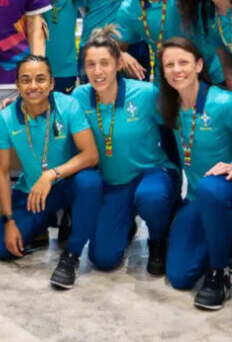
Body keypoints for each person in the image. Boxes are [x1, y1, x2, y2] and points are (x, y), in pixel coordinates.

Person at [70, 28, 176, 277]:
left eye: (105, 63)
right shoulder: (79, 97)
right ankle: (126, 223)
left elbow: (172, 131)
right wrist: (17, 103)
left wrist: (176, 175)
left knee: (151, 198)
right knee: (103, 258)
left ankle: (158, 239)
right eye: (91, 64)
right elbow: (52, 110)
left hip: (149, 174)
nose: (98, 71)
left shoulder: (146, 94)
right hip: (114, 183)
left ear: (118, 64)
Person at [0, 55, 101, 290]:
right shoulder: (6, 118)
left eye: (40, 79)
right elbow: (1, 171)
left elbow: (91, 155)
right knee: (2, 249)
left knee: (90, 181)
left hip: (67, 183)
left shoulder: (68, 106)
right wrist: (8, 220)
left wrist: (51, 174)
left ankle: (72, 254)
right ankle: (46, 219)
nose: (33, 86)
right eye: (26, 80)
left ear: (51, 83)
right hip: (33, 190)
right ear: (17, 85)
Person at [158, 37, 232, 310]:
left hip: (229, 191)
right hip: (196, 198)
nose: (176, 70)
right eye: (169, 65)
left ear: (199, 65)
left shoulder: (225, 103)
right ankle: (226, 237)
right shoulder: (170, 106)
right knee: (179, 276)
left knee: (209, 187)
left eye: (183, 62)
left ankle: (220, 273)